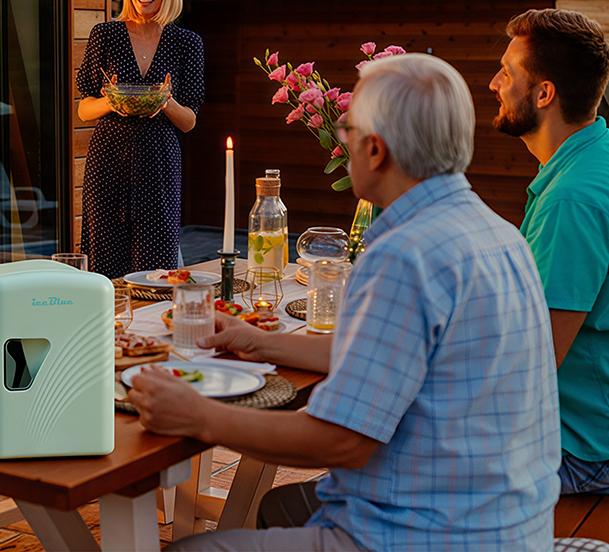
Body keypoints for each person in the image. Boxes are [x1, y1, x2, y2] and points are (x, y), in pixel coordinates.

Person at [130, 53, 560, 550]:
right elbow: (389, 356)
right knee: (276, 508)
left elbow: (340, 441)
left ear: (375, 150)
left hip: (421, 536)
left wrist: (197, 416)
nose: (343, 142)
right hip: (510, 526)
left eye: (348, 131)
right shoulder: (500, 234)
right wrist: (260, 342)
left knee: (190, 548)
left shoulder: (404, 254)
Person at [490, 8, 609, 495]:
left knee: (390, 464)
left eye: (507, 72)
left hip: (580, 448)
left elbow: (530, 362)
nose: (494, 83)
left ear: (544, 94)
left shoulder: (572, 199)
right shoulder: (592, 157)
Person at [76, 0, 204, 278]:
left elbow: (189, 121)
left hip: (159, 166)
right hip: (108, 162)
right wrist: (112, 102)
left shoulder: (186, 43)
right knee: (103, 266)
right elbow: (84, 109)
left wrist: (166, 102)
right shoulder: (105, 35)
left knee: (156, 270)